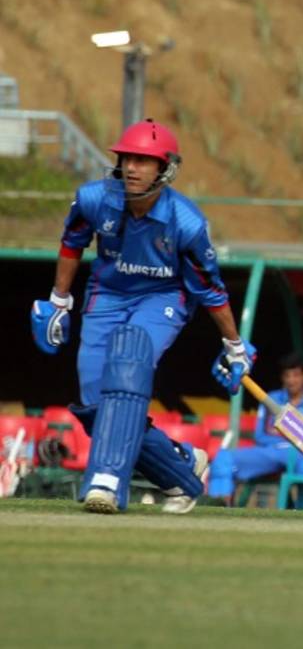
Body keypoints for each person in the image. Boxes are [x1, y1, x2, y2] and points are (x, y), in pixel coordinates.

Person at [31, 118, 251, 515]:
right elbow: (72, 242)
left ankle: (107, 482)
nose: (131, 167)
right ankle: (182, 468)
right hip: (107, 293)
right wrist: (58, 300)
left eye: (143, 160)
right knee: (96, 405)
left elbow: (211, 290)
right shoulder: (96, 198)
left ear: (165, 168)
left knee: (128, 357)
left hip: (164, 297)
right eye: (126, 158)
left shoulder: (186, 222)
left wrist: (234, 346)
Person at [207, 353, 303, 511]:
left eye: (296, 375)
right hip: (272, 451)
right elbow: (261, 435)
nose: (291, 380)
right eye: (287, 376)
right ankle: (218, 508)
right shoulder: (271, 398)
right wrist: (293, 433)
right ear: (282, 378)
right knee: (224, 457)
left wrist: (281, 431)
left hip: (301, 454)